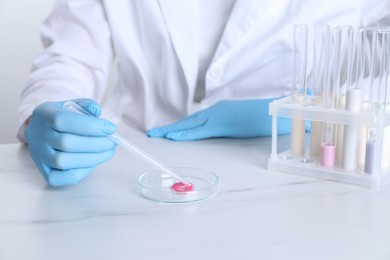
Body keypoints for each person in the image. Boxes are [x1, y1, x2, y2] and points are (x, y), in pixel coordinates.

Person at [17, 0, 390, 187]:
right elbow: (71, 57)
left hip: (295, 167)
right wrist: (47, 110)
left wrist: (309, 111)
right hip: (132, 161)